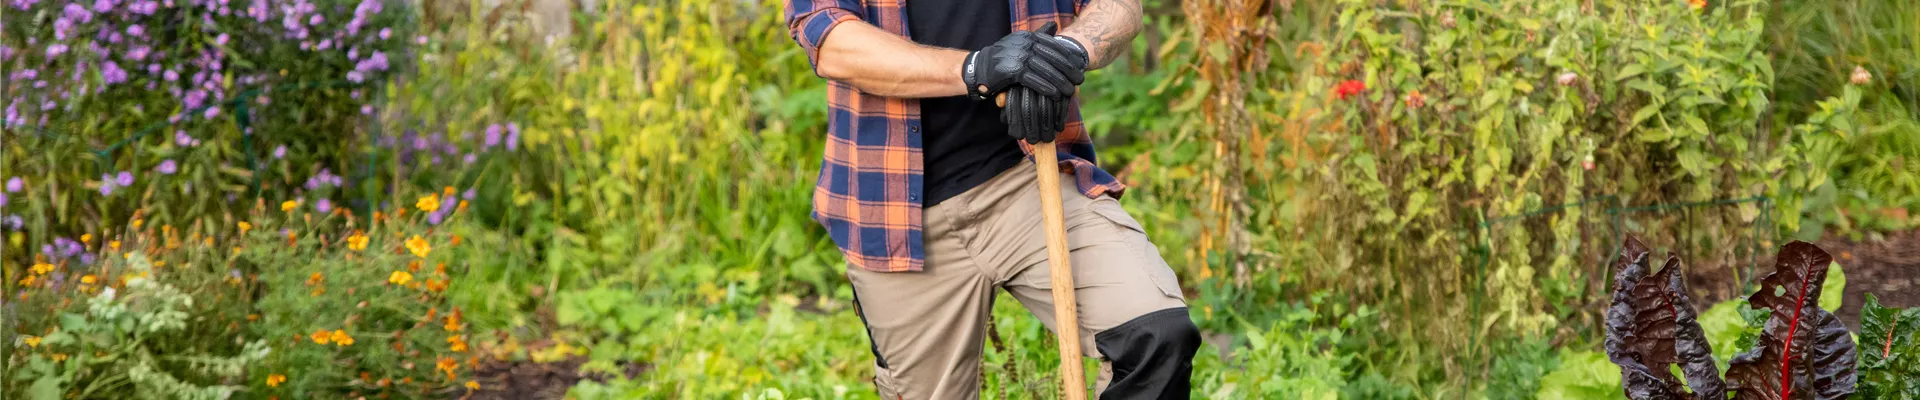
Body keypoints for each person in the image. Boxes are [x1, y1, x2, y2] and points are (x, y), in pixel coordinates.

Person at [782, 0, 1200, 398]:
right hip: (898, 215)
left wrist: (1068, 51)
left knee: (1155, 335)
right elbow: (831, 40)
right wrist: (977, 68)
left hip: (1031, 175)